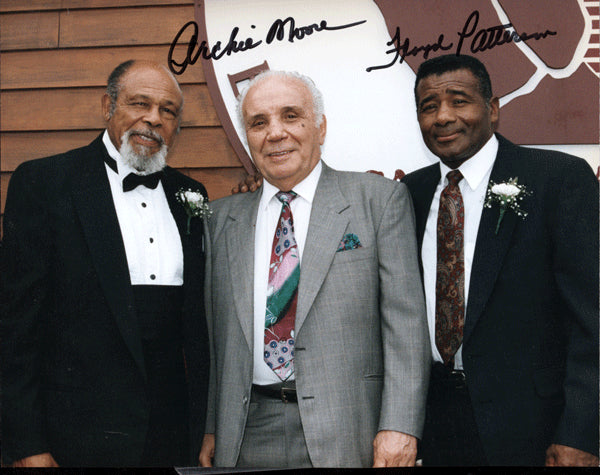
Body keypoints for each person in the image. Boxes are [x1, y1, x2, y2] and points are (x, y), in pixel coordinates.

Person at [197, 70, 430, 468]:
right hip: (245, 435)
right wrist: (213, 425)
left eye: (291, 116)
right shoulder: (220, 219)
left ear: (320, 127)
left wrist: (401, 427)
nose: (275, 133)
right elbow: (218, 340)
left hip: (349, 433)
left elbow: (405, 327)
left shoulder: (378, 201)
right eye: (258, 122)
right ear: (246, 137)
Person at [1, 60, 210, 467]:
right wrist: (27, 445)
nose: (154, 118)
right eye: (140, 104)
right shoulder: (45, 183)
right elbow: (14, 331)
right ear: (107, 106)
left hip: (172, 440)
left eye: (168, 110)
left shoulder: (192, 195)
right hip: (74, 444)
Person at [401, 54, 599, 466]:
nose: (443, 117)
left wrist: (582, 433)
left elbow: (592, 320)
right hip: (435, 430)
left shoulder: (556, 180)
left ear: (492, 110)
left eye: (459, 101)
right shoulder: (409, 195)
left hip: (534, 431)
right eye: (428, 106)